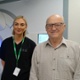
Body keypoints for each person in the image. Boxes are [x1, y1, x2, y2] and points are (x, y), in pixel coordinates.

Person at [29, 14, 80, 80]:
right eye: (50, 25)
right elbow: (33, 75)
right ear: (46, 28)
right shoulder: (38, 49)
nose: (53, 28)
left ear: (64, 27)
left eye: (57, 25)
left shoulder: (76, 48)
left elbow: (78, 75)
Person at [0, 16, 36, 80]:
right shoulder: (6, 43)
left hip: (24, 78)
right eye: (16, 24)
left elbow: (33, 64)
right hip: (7, 78)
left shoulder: (31, 44)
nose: (19, 27)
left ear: (25, 27)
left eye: (22, 25)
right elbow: (3, 61)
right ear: (13, 26)